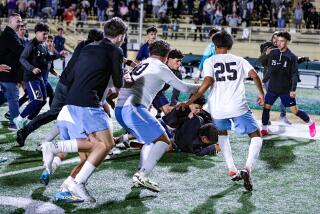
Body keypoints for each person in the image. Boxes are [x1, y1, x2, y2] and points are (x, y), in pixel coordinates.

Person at [40, 17, 127, 202]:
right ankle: (74, 178)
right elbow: (119, 83)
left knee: (91, 151)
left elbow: (71, 74)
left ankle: (66, 188)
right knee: (107, 144)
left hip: (71, 101)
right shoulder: (116, 50)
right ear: (120, 36)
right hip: (89, 103)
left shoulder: (88, 47)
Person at [177, 31, 265, 192]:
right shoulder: (239, 60)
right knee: (256, 136)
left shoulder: (210, 61)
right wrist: (261, 94)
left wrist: (190, 101)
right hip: (238, 105)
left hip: (217, 108)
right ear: (230, 46)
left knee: (223, 135)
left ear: (215, 46)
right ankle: (247, 168)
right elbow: (255, 76)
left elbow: (208, 82)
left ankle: (232, 169)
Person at [115, 40, 199, 192]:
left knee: (151, 141)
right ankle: (142, 175)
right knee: (163, 140)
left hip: (127, 107)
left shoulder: (144, 62)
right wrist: (205, 85)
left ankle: (141, 171)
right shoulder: (160, 66)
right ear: (166, 56)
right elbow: (184, 87)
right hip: (135, 108)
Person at [16, 29, 104, 147]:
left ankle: (28, 132)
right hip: (72, 87)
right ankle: (92, 141)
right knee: (78, 113)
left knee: (54, 113)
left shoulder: (82, 45)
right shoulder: (91, 50)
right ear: (96, 41)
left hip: (63, 83)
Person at [261, 31, 316, 138]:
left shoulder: (292, 57)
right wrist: (264, 81)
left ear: (287, 42)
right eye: (278, 41)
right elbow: (270, 70)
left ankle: (310, 123)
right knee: (266, 107)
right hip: (272, 87)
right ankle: (264, 129)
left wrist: (293, 89)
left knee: (294, 111)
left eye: (282, 41)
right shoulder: (272, 53)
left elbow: (294, 75)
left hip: (285, 89)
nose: (279, 43)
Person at [15, 23, 64, 129]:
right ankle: (18, 118)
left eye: (47, 34)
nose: (46, 36)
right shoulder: (31, 44)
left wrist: (59, 55)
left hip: (40, 78)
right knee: (37, 99)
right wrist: (32, 68)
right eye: (44, 34)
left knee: (43, 101)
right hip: (31, 77)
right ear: (37, 33)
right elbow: (22, 58)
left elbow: (47, 58)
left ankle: (28, 120)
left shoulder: (44, 45)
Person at [259, 31, 291, 125]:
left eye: (278, 39)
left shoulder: (283, 50)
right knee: (269, 99)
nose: (276, 40)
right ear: (272, 39)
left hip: (281, 78)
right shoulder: (267, 48)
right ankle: (266, 119)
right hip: (269, 78)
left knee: (283, 98)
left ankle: (283, 116)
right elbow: (261, 61)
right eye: (274, 38)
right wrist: (267, 54)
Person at [0, 13, 24, 130]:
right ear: (10, 22)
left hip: (7, 74)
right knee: (14, 97)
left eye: (20, 21)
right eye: (17, 21)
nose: (20, 23)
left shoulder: (9, 34)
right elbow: (22, 51)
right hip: (8, 74)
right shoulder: (9, 35)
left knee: (6, 96)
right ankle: (14, 124)